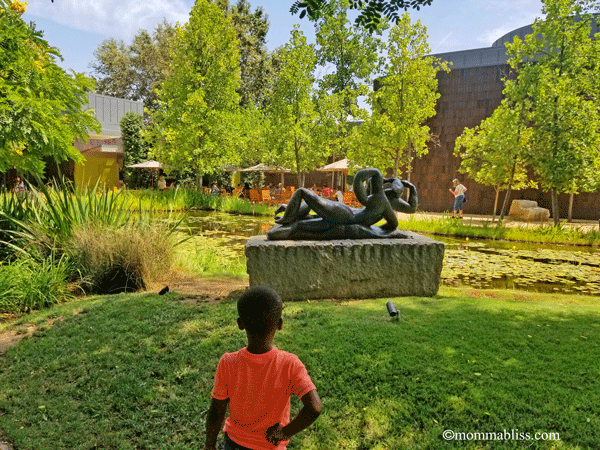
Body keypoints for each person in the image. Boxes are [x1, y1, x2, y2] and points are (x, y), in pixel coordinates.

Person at [203, 286, 322, 450]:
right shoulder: (290, 363)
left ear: (240, 324)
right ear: (279, 324)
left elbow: (217, 413)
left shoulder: (228, 362)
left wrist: (209, 446)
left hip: (234, 444)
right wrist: (283, 434)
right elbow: (314, 407)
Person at [269, 168, 417, 239]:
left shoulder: (379, 197)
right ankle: (290, 214)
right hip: (344, 216)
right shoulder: (386, 205)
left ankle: (288, 217)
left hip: (344, 215)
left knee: (302, 193)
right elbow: (402, 217)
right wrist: (412, 189)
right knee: (303, 221)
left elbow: (363, 177)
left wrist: (386, 179)